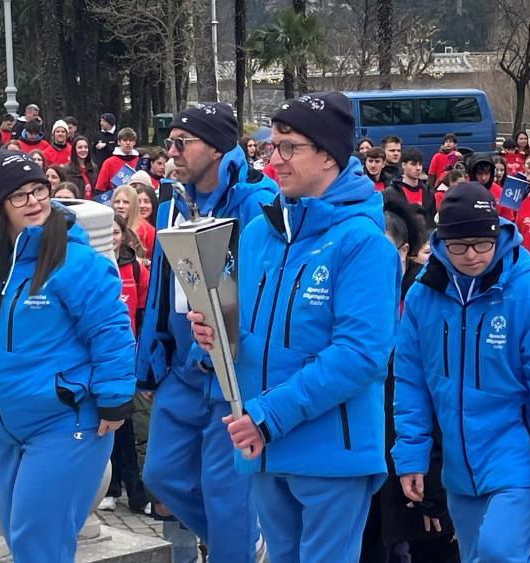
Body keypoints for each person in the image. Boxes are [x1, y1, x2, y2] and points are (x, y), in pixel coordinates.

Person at [188, 92, 399, 562]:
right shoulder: (260, 234)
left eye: (288, 147)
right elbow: (244, 337)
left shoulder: (364, 244)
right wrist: (214, 341)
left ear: (327, 154)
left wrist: (268, 416)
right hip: (263, 448)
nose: (273, 159)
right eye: (271, 146)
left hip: (329, 453)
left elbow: (360, 356)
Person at [0, 149, 136, 562]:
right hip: (5, 430)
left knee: (38, 542)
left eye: (39, 189)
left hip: (65, 423)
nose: (34, 201)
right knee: (25, 542)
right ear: (0, 204)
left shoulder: (75, 261)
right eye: (19, 195)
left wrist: (114, 398)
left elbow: (111, 331)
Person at [393, 182, 530, 562]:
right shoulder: (422, 296)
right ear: (442, 242)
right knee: (476, 554)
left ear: (498, 237)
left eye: (482, 244)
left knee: (498, 554)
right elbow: (411, 383)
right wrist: (412, 455)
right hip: (460, 467)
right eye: (459, 246)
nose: (472, 255)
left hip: (516, 457)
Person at [136, 102, 278, 563]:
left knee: (225, 492)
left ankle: (235, 543)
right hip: (183, 367)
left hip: (231, 370)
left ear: (216, 149)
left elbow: (262, 283)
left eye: (183, 143)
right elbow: (160, 286)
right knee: (161, 474)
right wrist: (151, 361)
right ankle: (241, 541)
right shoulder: (171, 202)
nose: (171, 153)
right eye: (169, 143)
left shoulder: (257, 202)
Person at [360, 198, 459, 563]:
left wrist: (433, 474)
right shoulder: (351, 302)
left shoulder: (424, 300)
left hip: (416, 466)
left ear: (405, 252)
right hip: (365, 463)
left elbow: (435, 392)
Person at [97, 214, 149, 513]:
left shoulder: (136, 269)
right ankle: (113, 486)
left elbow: (143, 314)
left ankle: (136, 490)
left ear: (123, 234)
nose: (113, 237)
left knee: (130, 425)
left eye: (116, 232)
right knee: (113, 425)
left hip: (130, 354)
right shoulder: (94, 268)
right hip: (106, 355)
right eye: (108, 233)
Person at [385, 148, 435, 219]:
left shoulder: (429, 192)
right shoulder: (391, 192)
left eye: (420, 164)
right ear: (403, 165)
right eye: (413, 164)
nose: (418, 168)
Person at [94, 128, 140, 203]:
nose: (128, 143)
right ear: (119, 142)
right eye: (125, 140)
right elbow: (100, 189)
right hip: (115, 203)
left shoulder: (140, 161)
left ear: (134, 142)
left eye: (131, 140)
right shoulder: (109, 162)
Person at [466, 154, 515, 222]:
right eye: (480, 174)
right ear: (473, 174)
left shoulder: (500, 192)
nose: (483, 178)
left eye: (486, 173)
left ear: (491, 173)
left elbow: (508, 220)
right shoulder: (464, 190)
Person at [111, 185, 155, 257]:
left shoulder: (147, 230)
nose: (120, 206)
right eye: (117, 202)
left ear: (134, 204)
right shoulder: (106, 226)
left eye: (126, 202)